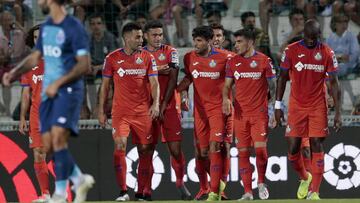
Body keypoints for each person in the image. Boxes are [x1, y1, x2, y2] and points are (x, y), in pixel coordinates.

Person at [2, 0, 95, 202]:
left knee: (55, 145)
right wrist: (15, 73)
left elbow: (85, 66)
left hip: (63, 99)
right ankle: (56, 191)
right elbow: (34, 60)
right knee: (47, 150)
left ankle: (67, 187)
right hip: (39, 110)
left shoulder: (70, 29)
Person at [275, 19, 341, 200]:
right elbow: (281, 78)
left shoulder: (327, 52)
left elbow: (334, 83)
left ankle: (315, 192)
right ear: (303, 34)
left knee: (316, 144)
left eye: (315, 38)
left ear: (318, 35)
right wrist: (278, 106)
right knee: (293, 149)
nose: (311, 41)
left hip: (318, 106)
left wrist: (338, 113)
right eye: (309, 37)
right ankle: (305, 177)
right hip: (296, 106)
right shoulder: (291, 50)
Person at [98, 22, 160, 201]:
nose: (142, 40)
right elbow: (105, 87)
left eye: (142, 36)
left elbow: (154, 84)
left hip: (143, 112)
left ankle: (141, 192)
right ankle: (123, 191)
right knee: (119, 147)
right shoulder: (112, 58)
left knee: (145, 151)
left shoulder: (148, 57)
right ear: (126, 38)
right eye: (138, 37)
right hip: (121, 113)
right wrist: (102, 111)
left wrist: (155, 105)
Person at [177, 25, 232, 201]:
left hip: (219, 110)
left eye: (199, 40)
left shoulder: (226, 58)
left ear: (209, 41)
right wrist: (182, 93)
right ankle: (212, 186)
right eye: (195, 40)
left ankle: (215, 191)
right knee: (202, 153)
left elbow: (240, 77)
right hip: (200, 112)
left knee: (217, 147)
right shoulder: (189, 57)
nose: (195, 44)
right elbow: (189, 78)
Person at [141, 20, 191, 200]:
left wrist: (162, 105)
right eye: (154, 35)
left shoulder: (171, 52)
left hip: (169, 105)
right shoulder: (140, 54)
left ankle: (180, 182)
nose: (158, 38)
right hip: (146, 106)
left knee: (176, 149)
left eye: (160, 35)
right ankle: (147, 189)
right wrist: (160, 70)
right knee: (147, 149)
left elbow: (173, 77)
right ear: (146, 35)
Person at [223, 28, 275, 201]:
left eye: (239, 41)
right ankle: (247, 192)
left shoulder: (264, 60)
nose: (236, 45)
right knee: (243, 153)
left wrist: (273, 110)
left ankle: (261, 182)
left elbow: (273, 87)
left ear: (251, 42)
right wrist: (226, 99)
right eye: (235, 42)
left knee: (260, 151)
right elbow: (227, 85)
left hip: (259, 114)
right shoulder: (233, 62)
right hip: (240, 115)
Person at [18, 24, 50, 203]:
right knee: (38, 153)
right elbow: (25, 93)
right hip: (36, 115)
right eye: (36, 37)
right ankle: (45, 194)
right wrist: (22, 117)